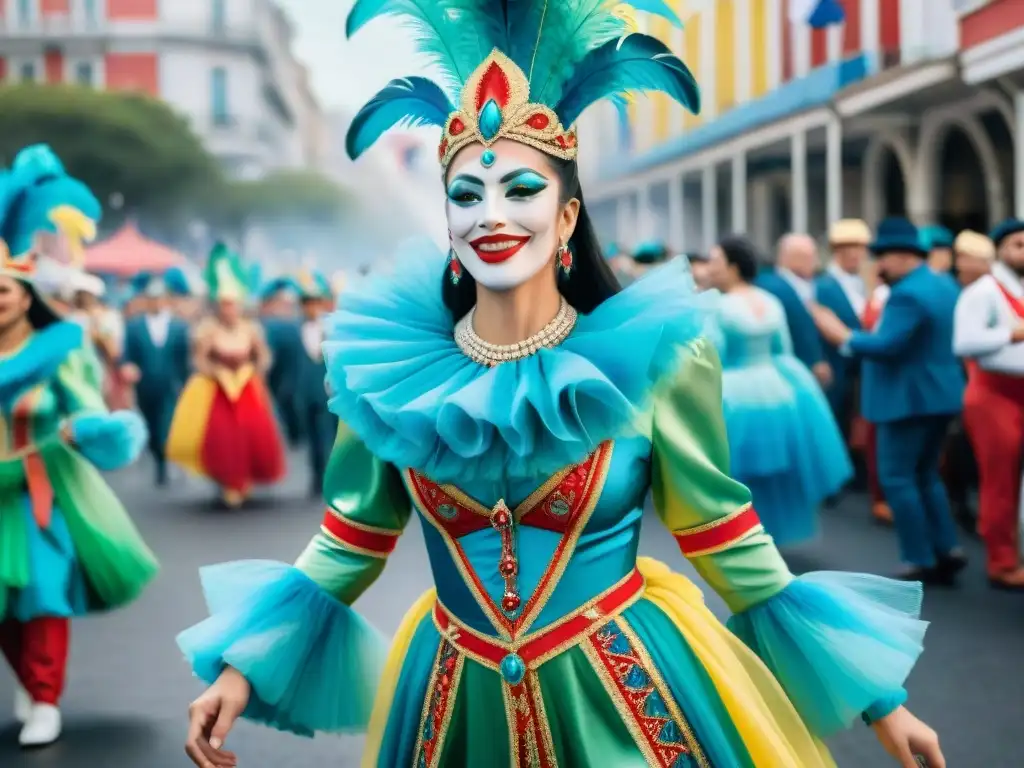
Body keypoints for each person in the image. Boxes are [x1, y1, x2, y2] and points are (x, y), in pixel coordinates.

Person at [179, 6, 943, 768]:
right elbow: (351, 538)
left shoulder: (656, 360)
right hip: (457, 712)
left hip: (624, 705)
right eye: (467, 196)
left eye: (520, 189)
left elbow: (723, 535)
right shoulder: (385, 373)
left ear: (568, 212)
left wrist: (883, 704)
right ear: (446, 220)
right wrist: (242, 667)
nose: (492, 216)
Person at [0, 144, 157, 748]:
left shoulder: (61, 350)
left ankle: (44, 695)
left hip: (42, 487)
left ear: (28, 298)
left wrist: (89, 427)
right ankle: (26, 677)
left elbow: (88, 406)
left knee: (43, 590)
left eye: (8, 292)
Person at [815, 217, 966, 584]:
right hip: (940, 394)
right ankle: (947, 547)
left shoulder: (907, 293)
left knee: (898, 478)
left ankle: (919, 557)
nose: (877, 266)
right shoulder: (943, 283)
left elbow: (886, 346)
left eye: (881, 257)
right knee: (926, 475)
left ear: (900, 256)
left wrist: (843, 336)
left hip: (907, 398)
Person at [706, 235, 852, 546]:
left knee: (734, 473)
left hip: (734, 392)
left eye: (716, 262)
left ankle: (740, 536)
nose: (710, 269)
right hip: (777, 388)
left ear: (733, 267)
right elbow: (782, 348)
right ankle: (768, 533)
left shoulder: (717, 305)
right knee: (775, 470)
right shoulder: (770, 301)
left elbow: (712, 356)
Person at [165, 243, 286, 508]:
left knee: (251, 434)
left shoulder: (250, 329)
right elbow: (199, 358)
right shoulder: (208, 329)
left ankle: (245, 479)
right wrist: (213, 372)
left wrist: (255, 369)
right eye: (224, 305)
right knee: (221, 437)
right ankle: (228, 481)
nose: (228, 310)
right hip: (219, 388)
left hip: (246, 386)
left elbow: (263, 355)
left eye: (232, 305)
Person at [952, 222, 1024, 590]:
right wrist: (1011, 333)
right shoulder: (982, 292)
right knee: (1001, 480)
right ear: (1000, 249)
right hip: (994, 393)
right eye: (1018, 244)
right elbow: (964, 343)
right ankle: (1002, 561)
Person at [120, 275, 190, 486]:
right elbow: (127, 355)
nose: (156, 302)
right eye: (152, 298)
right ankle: (158, 456)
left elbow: (185, 358)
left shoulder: (179, 327)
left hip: (171, 384)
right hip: (146, 385)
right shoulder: (134, 326)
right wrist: (127, 367)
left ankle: (164, 465)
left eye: (160, 298)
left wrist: (187, 382)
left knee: (165, 425)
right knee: (151, 425)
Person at [814, 220, 869, 439]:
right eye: (848, 249)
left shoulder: (867, 282)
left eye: (859, 248)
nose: (855, 254)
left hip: (862, 375)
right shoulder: (823, 285)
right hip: (838, 374)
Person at [756, 233, 833, 389]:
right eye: (810, 257)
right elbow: (799, 326)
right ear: (790, 258)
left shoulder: (810, 284)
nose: (816, 262)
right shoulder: (774, 286)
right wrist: (814, 359)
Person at [293, 269, 337, 498]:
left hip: (326, 391)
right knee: (311, 438)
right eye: (306, 303)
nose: (310, 307)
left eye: (314, 302)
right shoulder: (294, 329)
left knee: (325, 436)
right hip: (303, 392)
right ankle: (315, 475)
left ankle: (326, 477)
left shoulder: (331, 328)